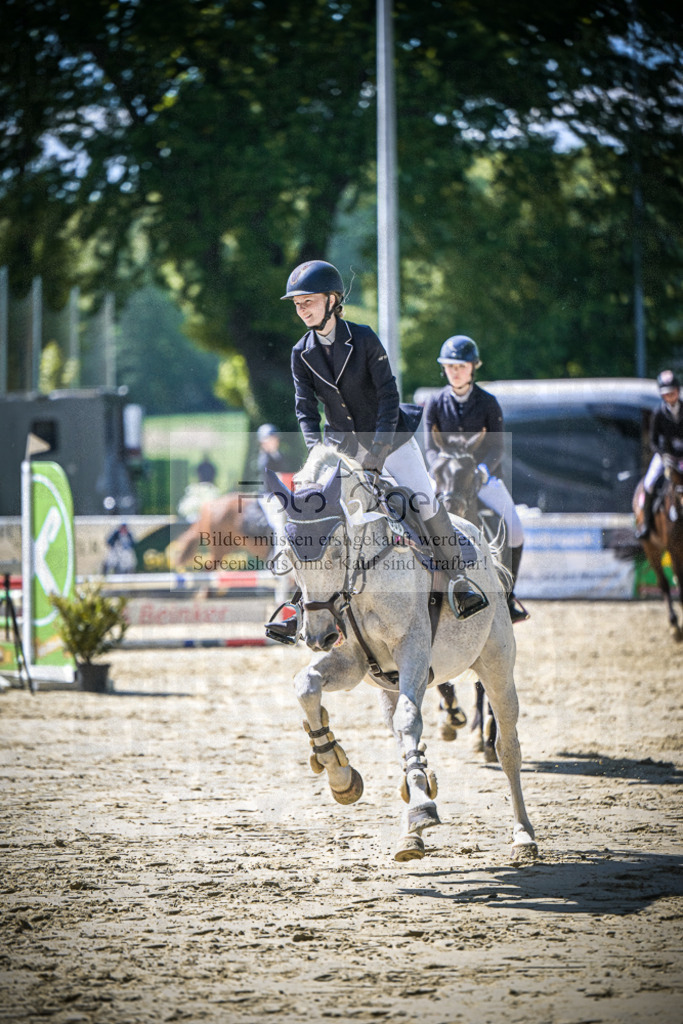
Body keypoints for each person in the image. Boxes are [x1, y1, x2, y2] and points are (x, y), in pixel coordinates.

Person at [271, 259, 486, 633]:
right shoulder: (300, 352)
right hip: (341, 450)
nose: (302, 308)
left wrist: (378, 453)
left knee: (422, 498)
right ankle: (297, 606)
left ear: (332, 300)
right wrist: (315, 455)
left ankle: (458, 580)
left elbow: (389, 397)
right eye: (297, 303)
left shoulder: (364, 338)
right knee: (314, 513)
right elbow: (305, 411)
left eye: (308, 300)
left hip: (391, 439)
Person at [423, 335, 529, 624]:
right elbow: (430, 448)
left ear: (473, 367)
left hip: (483, 477)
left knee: (516, 530)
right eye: (449, 366)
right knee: (417, 517)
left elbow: (496, 448)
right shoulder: (434, 402)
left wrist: (481, 470)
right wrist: (438, 468)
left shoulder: (488, 403)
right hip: (446, 477)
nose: (454, 371)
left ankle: (508, 597)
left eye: (460, 366)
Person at [636, 369, 683, 540]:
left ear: (678, 391)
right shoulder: (658, 414)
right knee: (649, 483)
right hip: (666, 456)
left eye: (673, 392)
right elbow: (653, 441)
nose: (670, 396)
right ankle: (646, 525)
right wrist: (664, 455)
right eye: (667, 394)